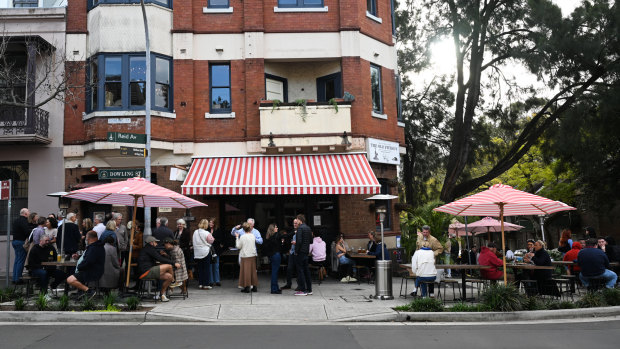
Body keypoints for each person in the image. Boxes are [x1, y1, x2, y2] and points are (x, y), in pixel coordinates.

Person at [138, 236, 180, 302]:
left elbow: (158, 258)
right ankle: (173, 282)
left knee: (169, 276)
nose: (157, 244)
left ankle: (161, 294)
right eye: (155, 242)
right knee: (169, 266)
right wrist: (174, 263)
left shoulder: (149, 249)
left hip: (149, 270)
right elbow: (160, 259)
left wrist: (163, 255)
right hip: (146, 272)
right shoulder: (149, 249)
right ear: (151, 243)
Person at [66, 231, 106, 299]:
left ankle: (89, 291)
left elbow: (88, 261)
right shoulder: (98, 246)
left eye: (86, 238)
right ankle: (82, 292)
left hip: (91, 271)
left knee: (70, 279)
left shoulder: (93, 248)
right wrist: (79, 257)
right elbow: (89, 257)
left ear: (88, 238)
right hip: (95, 270)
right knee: (73, 275)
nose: (86, 240)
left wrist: (79, 267)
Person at [235, 222, 258, 293]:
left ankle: (247, 287)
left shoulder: (242, 236)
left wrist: (236, 237)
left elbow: (238, 246)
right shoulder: (253, 236)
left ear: (243, 229)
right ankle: (254, 287)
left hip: (245, 256)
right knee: (253, 271)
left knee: (245, 272)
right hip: (252, 255)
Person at [193, 219, 215, 290]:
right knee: (206, 269)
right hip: (205, 252)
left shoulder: (195, 232)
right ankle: (206, 284)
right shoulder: (207, 233)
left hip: (197, 253)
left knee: (200, 269)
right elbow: (211, 241)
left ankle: (200, 284)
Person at [294, 215, 312, 296]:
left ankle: (302, 290)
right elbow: (311, 241)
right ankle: (309, 289)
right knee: (306, 270)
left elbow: (299, 242)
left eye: (297, 220)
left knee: (300, 271)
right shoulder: (308, 228)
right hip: (306, 251)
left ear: (300, 220)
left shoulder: (300, 229)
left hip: (300, 252)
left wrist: (296, 251)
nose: (296, 221)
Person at [11, 208, 30, 284]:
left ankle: (14, 278)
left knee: (17, 260)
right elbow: (26, 231)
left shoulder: (16, 220)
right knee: (21, 261)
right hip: (20, 242)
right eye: (28, 212)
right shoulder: (24, 221)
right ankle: (18, 279)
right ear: (25, 214)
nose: (29, 213)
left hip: (15, 241)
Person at [263, 224, 282, 294]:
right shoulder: (275, 236)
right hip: (276, 255)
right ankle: (274, 289)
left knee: (275, 272)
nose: (277, 228)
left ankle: (275, 288)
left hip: (272, 256)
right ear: (272, 229)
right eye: (276, 227)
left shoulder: (268, 237)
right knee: (275, 272)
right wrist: (294, 232)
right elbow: (284, 236)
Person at [208, 217, 226, 287]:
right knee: (210, 266)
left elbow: (221, 240)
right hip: (208, 249)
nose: (210, 224)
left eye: (212, 222)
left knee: (216, 266)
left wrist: (214, 239)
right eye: (210, 222)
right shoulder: (207, 230)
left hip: (215, 250)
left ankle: (217, 280)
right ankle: (211, 281)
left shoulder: (218, 230)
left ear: (215, 223)